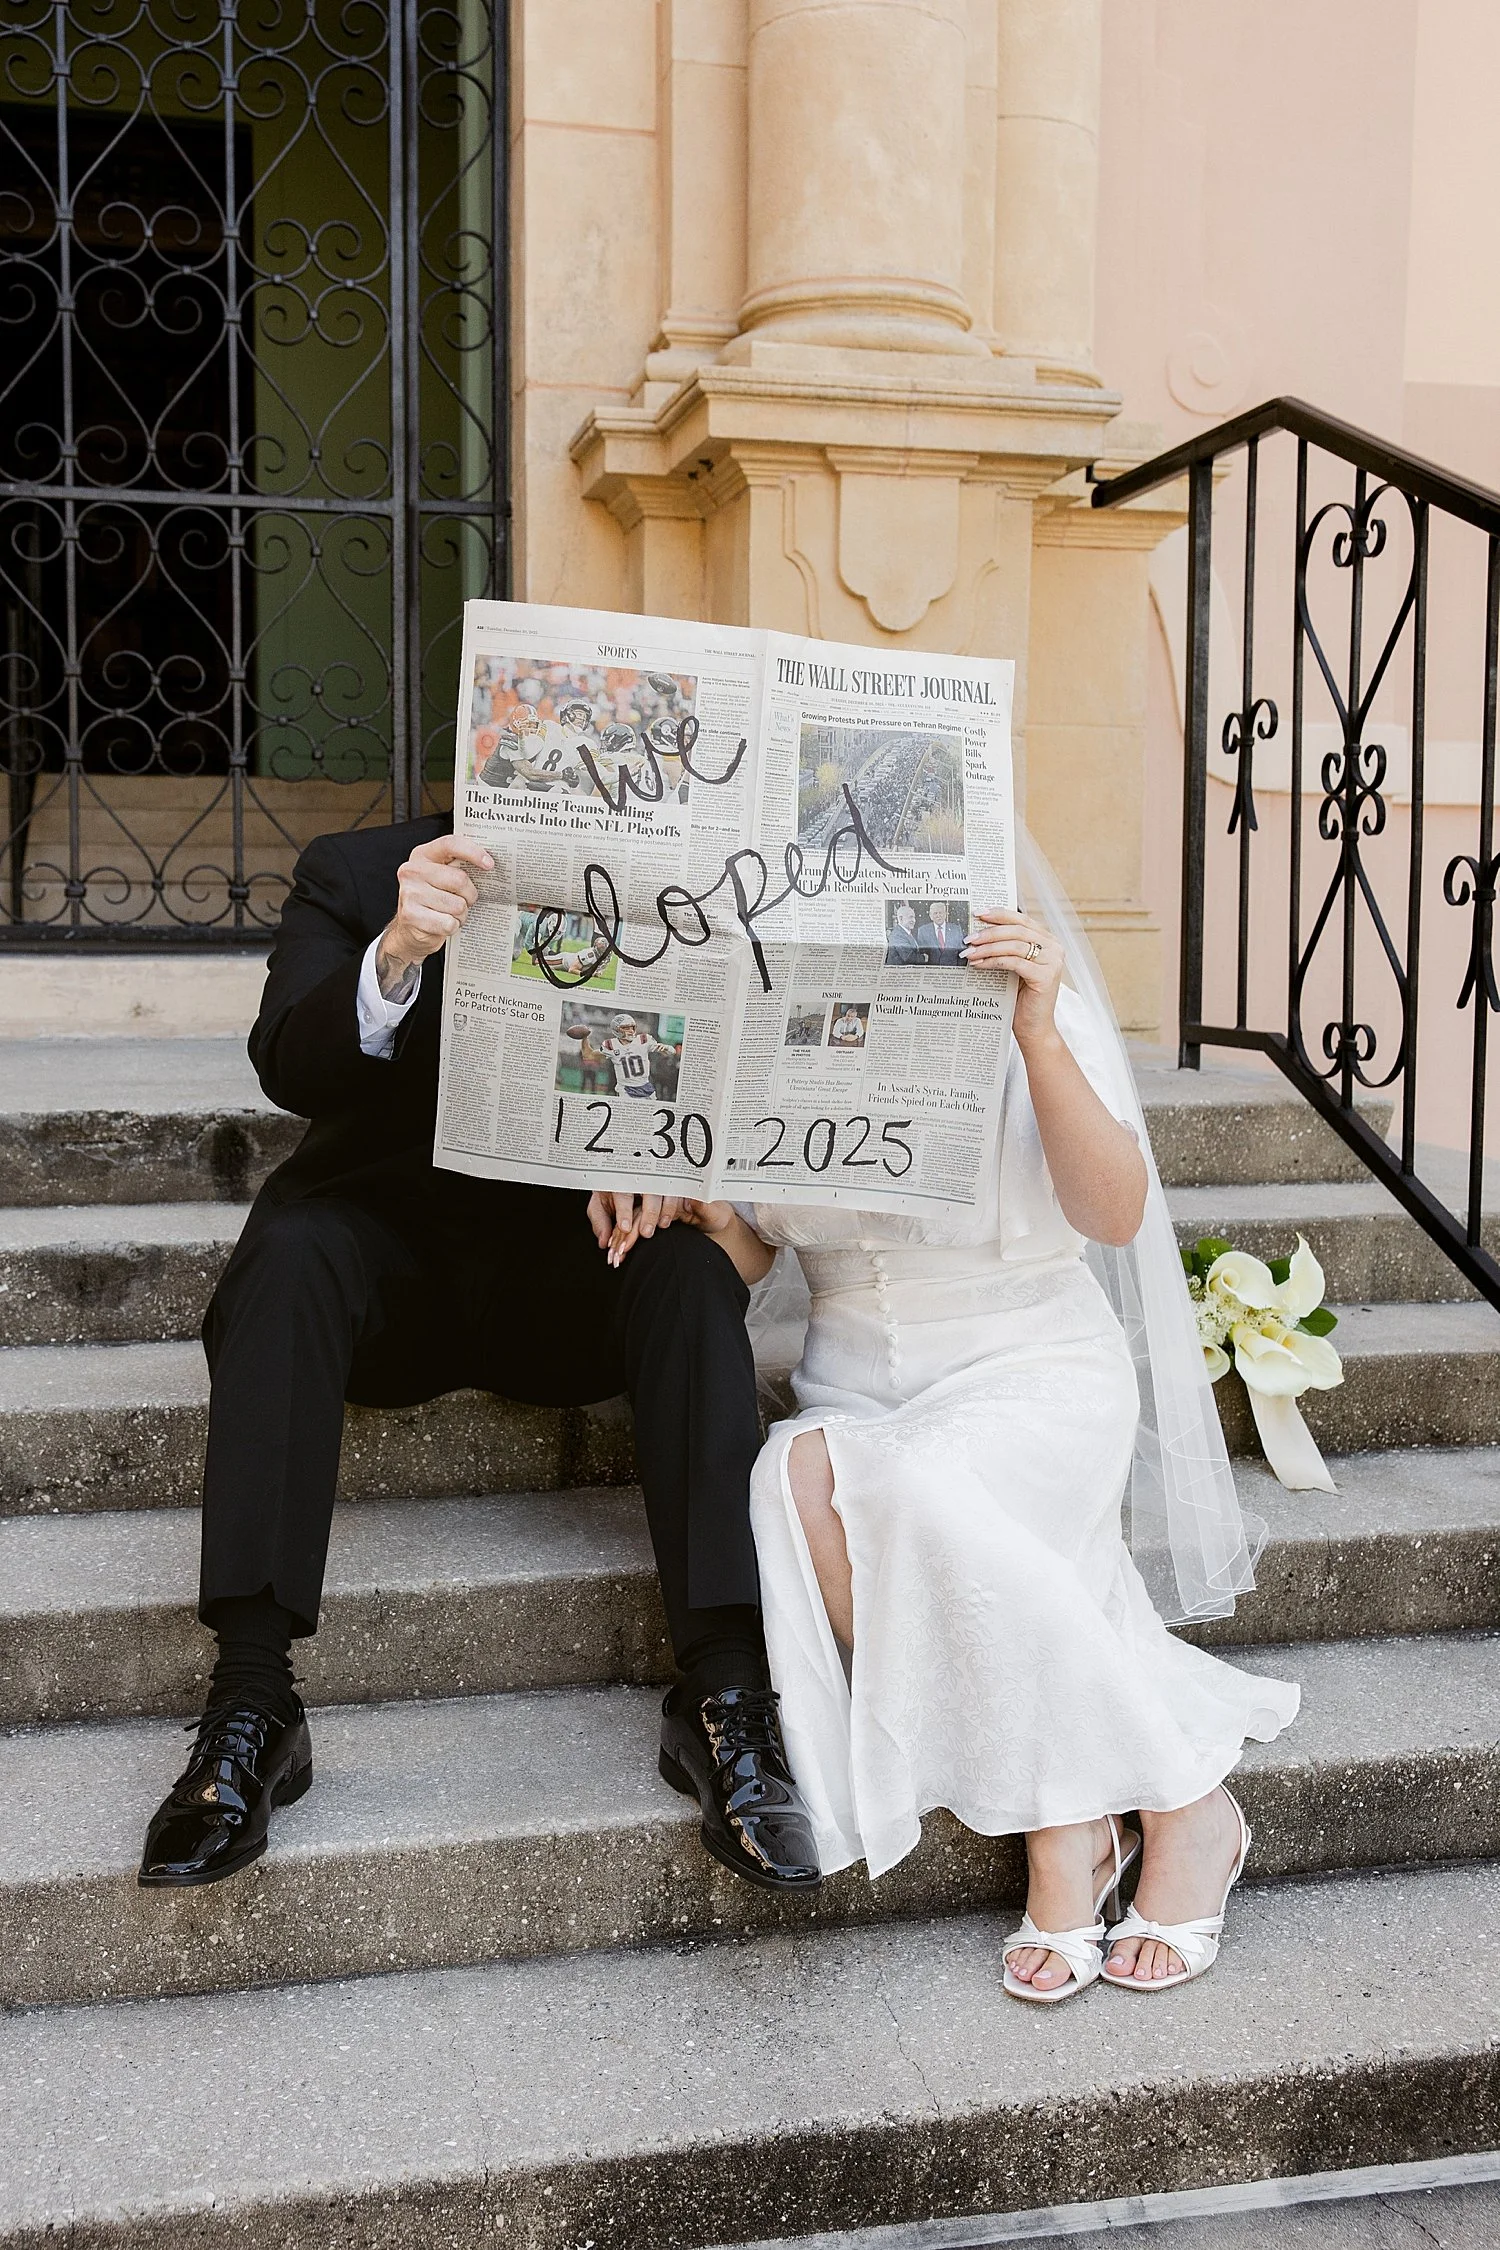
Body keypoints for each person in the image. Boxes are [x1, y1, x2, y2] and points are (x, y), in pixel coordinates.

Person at [138, 821, 820, 1898]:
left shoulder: (674, 881)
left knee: (691, 1271)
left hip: (570, 1281)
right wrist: (395, 953)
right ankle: (252, 1703)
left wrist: (659, 1150)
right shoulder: (355, 870)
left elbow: (711, 1075)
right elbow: (287, 1063)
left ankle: (726, 1697)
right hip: (385, 1278)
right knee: (290, 1247)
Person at [678, 873, 1299, 2003]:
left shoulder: (1026, 996)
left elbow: (1114, 1213)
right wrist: (710, 1208)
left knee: (904, 1492)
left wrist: (1039, 1035)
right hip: (856, 1387)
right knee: (796, 1477)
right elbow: (757, 1252)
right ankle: (1147, 1803)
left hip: (1034, 1369)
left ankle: (1103, 1827)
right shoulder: (765, 995)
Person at [916, 901, 965, 965]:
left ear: (945, 914)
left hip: (952, 968)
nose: (938, 916)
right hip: (932, 969)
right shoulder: (923, 931)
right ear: (930, 916)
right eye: (935, 913)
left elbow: (962, 952)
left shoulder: (956, 929)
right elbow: (921, 954)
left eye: (940, 913)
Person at [884, 902, 922, 968]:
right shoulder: (897, 935)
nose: (914, 920)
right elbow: (909, 958)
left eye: (914, 917)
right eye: (910, 917)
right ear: (901, 919)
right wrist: (924, 958)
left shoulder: (906, 932)